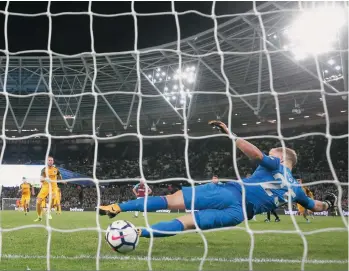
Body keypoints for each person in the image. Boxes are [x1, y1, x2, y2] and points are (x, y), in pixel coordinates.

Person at [99, 121, 337, 238]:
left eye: (274, 151)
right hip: (238, 214)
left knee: (169, 200)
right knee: (187, 223)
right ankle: (139, 234)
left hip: (228, 193)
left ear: (284, 158)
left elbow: (255, 154)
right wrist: (330, 203)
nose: (270, 153)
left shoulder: (276, 165)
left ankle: (117, 207)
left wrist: (231, 134)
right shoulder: (297, 190)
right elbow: (316, 206)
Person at [34, 156, 63, 222]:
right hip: (45, 187)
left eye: (51, 160)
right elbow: (41, 179)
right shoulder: (44, 169)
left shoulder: (56, 169)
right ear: (47, 161)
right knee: (38, 202)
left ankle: (48, 213)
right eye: (49, 160)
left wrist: (61, 180)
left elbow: (59, 175)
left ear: (53, 161)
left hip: (53, 187)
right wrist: (45, 179)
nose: (50, 161)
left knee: (52, 198)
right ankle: (39, 217)